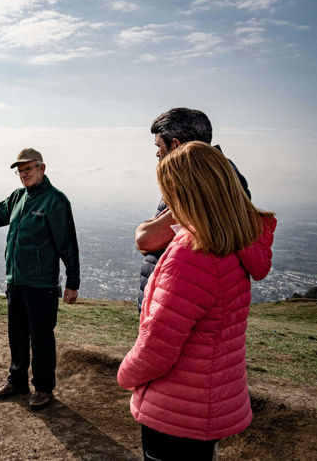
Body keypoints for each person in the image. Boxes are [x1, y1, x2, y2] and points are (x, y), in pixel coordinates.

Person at [117, 141, 276, 460]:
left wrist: (126, 374)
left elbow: (157, 347)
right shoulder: (231, 243)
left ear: (186, 194)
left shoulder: (193, 253)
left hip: (174, 412)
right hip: (205, 402)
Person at [0, 148, 80, 409]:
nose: (24, 175)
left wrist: (73, 283)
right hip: (17, 281)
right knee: (17, 334)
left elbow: (68, 244)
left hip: (41, 284)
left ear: (42, 169)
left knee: (42, 337)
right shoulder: (19, 197)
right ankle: (18, 380)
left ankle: (43, 388)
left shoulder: (56, 201)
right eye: (20, 171)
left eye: (28, 169)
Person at [134, 107, 250, 312]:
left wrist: (146, 228)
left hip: (178, 303)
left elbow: (146, 240)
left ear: (176, 144)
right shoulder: (221, 177)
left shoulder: (204, 183)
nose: (157, 153)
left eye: (159, 145)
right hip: (184, 299)